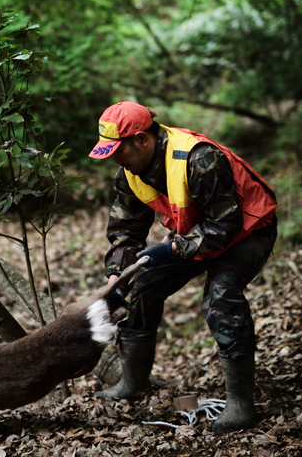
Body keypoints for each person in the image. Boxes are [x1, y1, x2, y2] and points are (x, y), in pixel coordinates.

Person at [89, 101, 277, 434]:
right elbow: (125, 232)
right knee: (142, 283)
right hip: (197, 235)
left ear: (143, 140)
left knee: (221, 296)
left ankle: (240, 403)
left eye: (119, 150)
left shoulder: (198, 158)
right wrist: (117, 275)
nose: (115, 159)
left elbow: (224, 226)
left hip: (247, 231)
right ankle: (132, 382)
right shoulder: (129, 173)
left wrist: (172, 247)